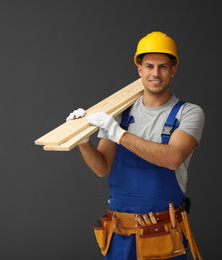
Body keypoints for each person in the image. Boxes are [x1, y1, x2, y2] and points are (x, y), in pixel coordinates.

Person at [67, 31, 205, 260]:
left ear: (173, 70)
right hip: (120, 233)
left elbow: (172, 158)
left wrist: (119, 134)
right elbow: (102, 167)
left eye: (163, 66)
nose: (156, 73)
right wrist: (82, 140)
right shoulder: (119, 113)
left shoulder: (188, 113)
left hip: (163, 234)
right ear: (139, 69)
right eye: (149, 66)